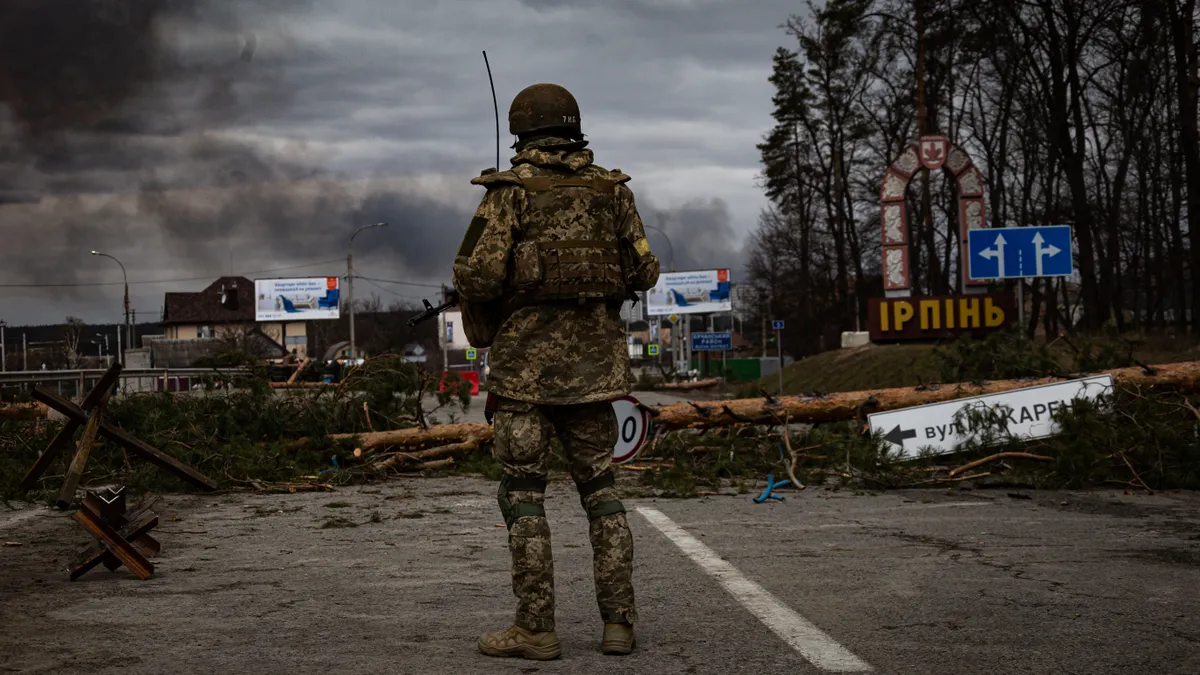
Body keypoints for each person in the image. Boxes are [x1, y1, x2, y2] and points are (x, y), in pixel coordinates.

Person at [451, 82, 660, 661]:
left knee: (523, 495)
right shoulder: (613, 192)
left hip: (524, 376)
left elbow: (477, 276)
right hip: (596, 373)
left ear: (521, 131)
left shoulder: (509, 193)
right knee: (602, 492)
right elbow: (645, 271)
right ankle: (619, 623)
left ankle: (536, 627)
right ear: (574, 128)